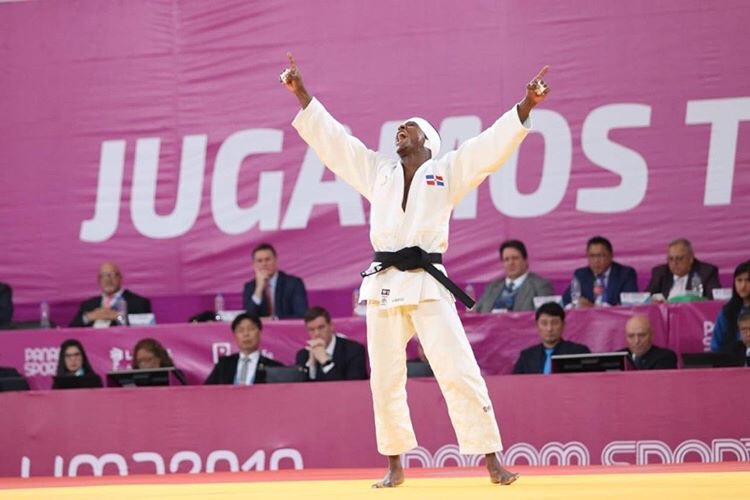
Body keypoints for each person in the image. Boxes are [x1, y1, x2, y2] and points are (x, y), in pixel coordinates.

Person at [282, 52, 549, 487]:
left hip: (427, 283)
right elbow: (337, 145)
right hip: (384, 284)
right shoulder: (379, 172)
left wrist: (526, 105)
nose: (399, 131)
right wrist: (301, 93)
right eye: (398, 128)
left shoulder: (445, 172)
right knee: (385, 379)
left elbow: (488, 148)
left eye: (408, 127)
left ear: (427, 140)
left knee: (458, 369)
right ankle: (394, 465)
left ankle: (492, 460)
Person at [475, 239, 553, 312]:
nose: (511, 263)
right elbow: (477, 312)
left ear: (525, 261)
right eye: (506, 259)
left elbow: (547, 315)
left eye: (515, 258)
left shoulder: (540, 285)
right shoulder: (492, 286)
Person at [205, 313, 283, 385]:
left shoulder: (274, 367)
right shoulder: (224, 364)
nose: (246, 334)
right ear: (235, 335)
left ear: (259, 333)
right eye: (240, 330)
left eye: (251, 329)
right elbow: (206, 390)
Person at [513, 302, 590, 374]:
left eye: (555, 323)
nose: (549, 329)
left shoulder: (579, 353)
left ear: (563, 325)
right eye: (544, 323)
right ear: (537, 326)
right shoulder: (526, 357)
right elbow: (516, 381)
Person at [295, 306, 368, 381]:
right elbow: (299, 385)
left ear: (331, 326)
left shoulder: (354, 351)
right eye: (311, 329)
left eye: (321, 327)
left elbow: (353, 384)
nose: (317, 333)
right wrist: (311, 365)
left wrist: (325, 362)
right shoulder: (303, 355)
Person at [562, 236, 638, 307]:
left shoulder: (625, 274)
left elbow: (629, 304)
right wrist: (577, 303)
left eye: (600, 256)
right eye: (592, 256)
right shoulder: (581, 275)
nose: (596, 261)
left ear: (611, 256)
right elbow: (566, 300)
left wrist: (593, 308)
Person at [69, 262, 152, 327]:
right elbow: (71, 329)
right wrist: (89, 317)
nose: (108, 280)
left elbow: (144, 329)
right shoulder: (88, 305)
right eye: (103, 276)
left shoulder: (138, 303)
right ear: (99, 281)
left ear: (120, 277)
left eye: (112, 275)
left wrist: (117, 317)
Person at [242, 243, 308, 319]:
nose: (264, 264)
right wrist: (258, 290)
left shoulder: (293, 283)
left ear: (276, 260)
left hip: (285, 326)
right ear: (254, 265)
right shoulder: (250, 286)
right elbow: (247, 318)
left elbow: (301, 315)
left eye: (267, 259)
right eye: (260, 261)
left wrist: (274, 320)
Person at [646, 238, 721, 301]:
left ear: (691, 258)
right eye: (671, 259)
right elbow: (645, 300)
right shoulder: (660, 273)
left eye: (679, 258)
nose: (675, 263)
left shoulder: (706, 272)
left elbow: (713, 301)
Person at [711, 261, 750, 353]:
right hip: (731, 359)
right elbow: (716, 346)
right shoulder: (727, 311)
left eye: (748, 280)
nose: (743, 286)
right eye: (739, 280)